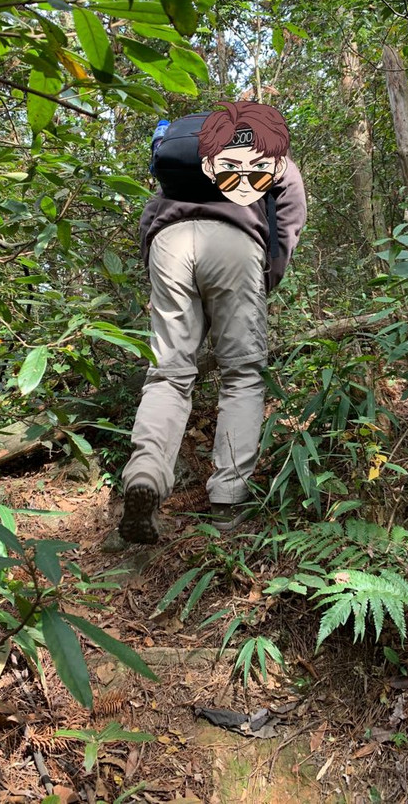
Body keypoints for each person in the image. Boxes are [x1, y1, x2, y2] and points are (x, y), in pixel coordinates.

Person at [119, 101, 307, 544]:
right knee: (241, 373)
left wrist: (156, 261)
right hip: (236, 242)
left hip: (170, 242)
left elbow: (152, 209)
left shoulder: (184, 155)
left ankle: (145, 474)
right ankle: (226, 499)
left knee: (167, 372)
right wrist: (269, 273)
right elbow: (291, 207)